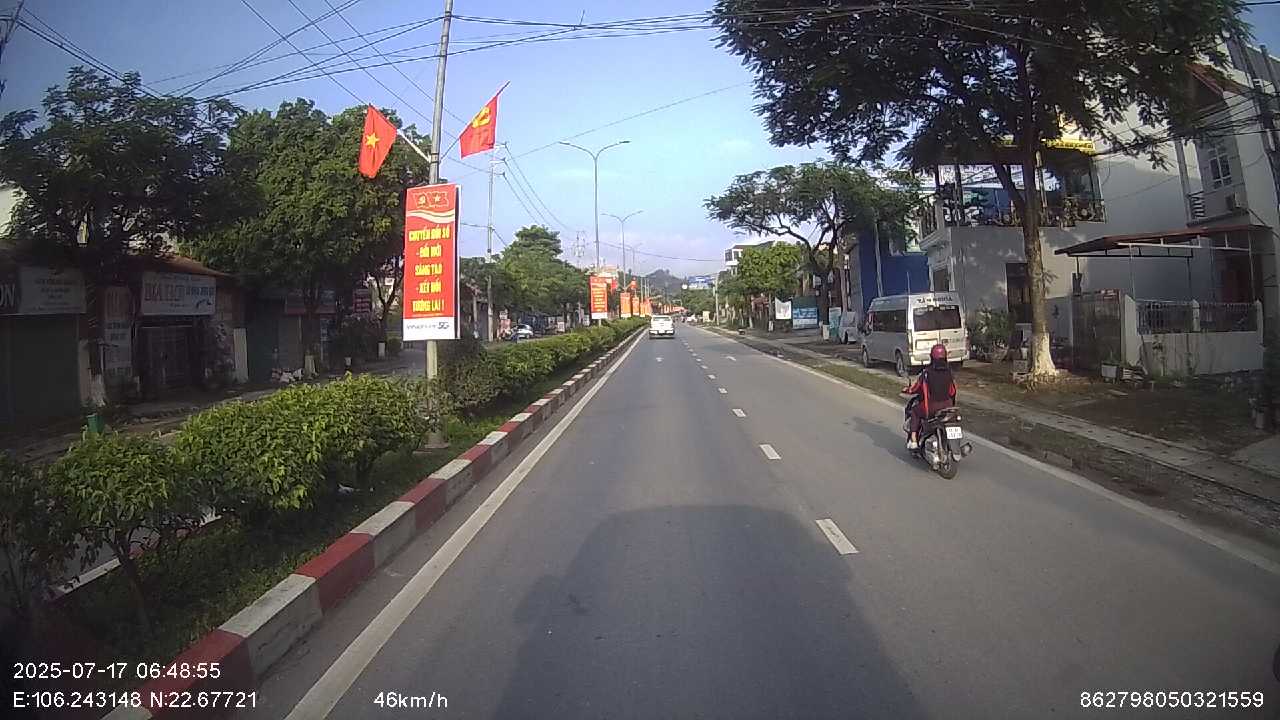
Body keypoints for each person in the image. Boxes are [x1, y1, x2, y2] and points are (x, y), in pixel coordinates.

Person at [903, 343, 957, 451]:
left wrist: (907, 390)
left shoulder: (927, 373)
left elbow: (916, 388)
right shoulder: (949, 372)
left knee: (914, 412)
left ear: (931, 357)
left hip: (931, 407)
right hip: (948, 406)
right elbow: (952, 391)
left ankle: (914, 440)